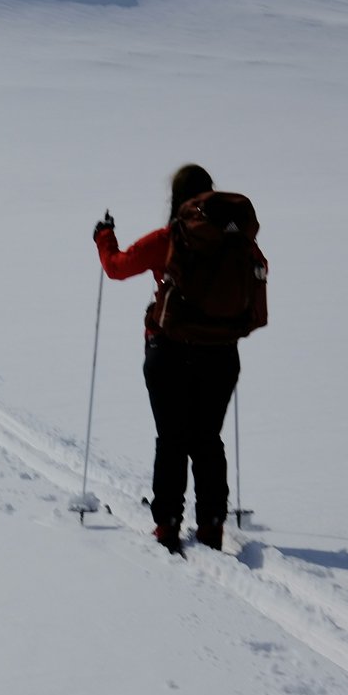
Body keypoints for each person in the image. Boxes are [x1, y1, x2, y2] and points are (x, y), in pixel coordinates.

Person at [94, 164, 267, 555]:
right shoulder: (240, 242)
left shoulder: (169, 239)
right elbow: (260, 271)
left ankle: (168, 526)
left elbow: (117, 268)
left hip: (167, 352)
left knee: (171, 440)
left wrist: (104, 236)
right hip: (221, 354)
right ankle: (211, 527)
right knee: (207, 439)